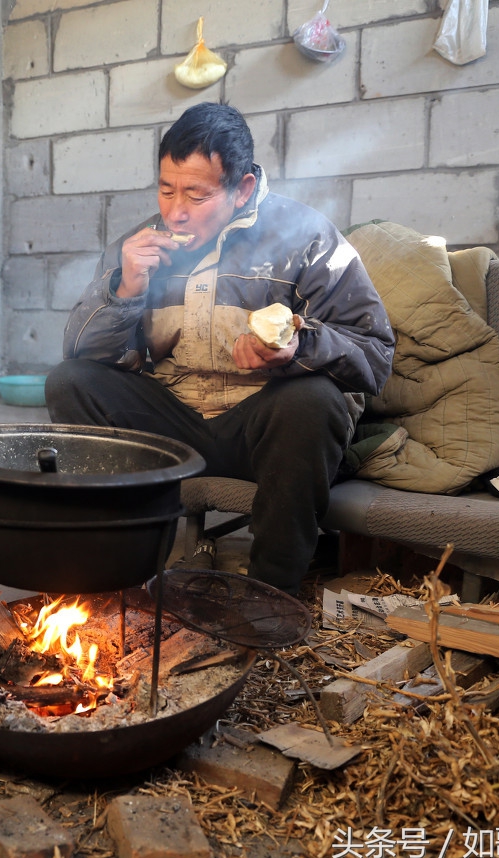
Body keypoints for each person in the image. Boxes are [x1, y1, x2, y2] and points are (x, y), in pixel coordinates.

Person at [46, 103, 394, 596]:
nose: (176, 210)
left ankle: (271, 595)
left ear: (243, 189)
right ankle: (112, 573)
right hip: (175, 427)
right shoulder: (139, 245)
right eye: (166, 189)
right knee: (70, 383)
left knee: (312, 402)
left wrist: (298, 347)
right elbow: (80, 352)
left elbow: (376, 357)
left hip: (264, 431)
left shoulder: (308, 237)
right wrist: (125, 290)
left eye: (197, 194)